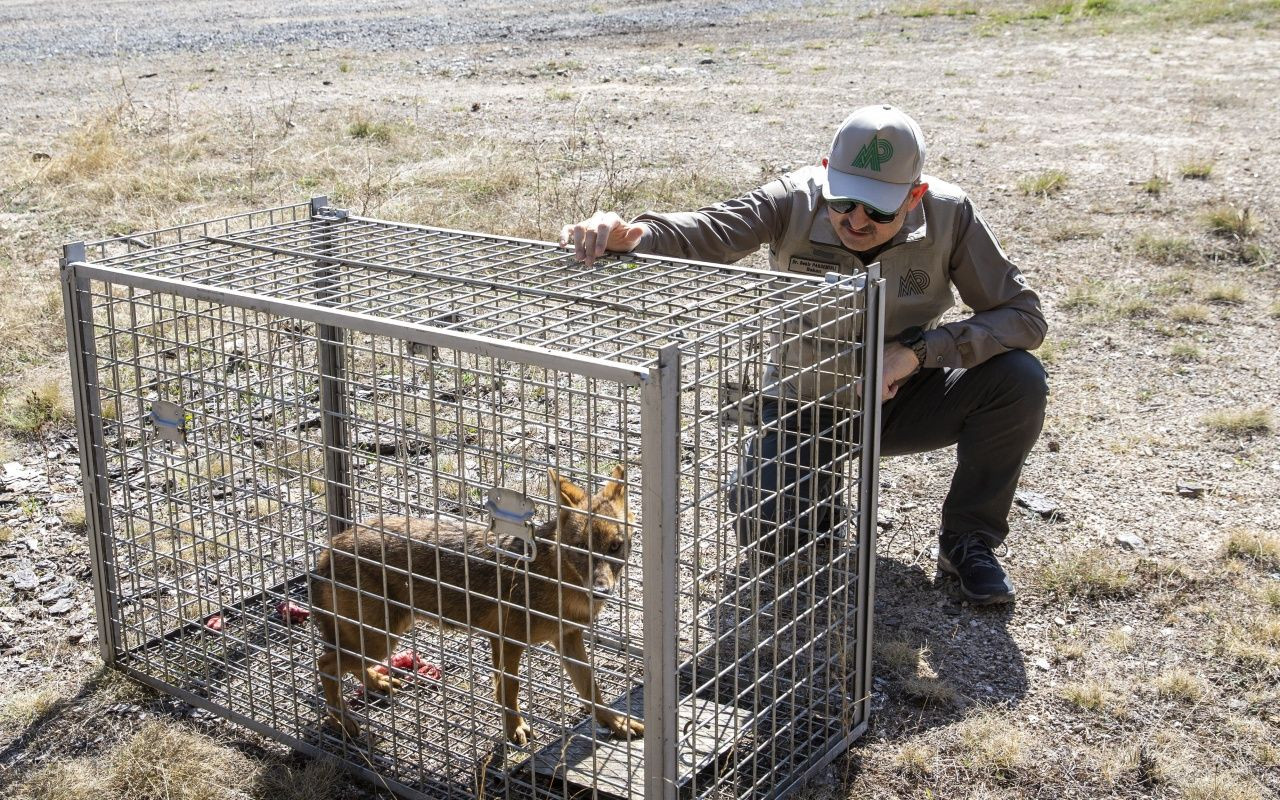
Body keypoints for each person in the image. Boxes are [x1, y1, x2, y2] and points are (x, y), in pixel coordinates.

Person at [559, 105, 1047, 605]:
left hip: (900, 397)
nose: (856, 220)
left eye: (879, 209)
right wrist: (636, 234)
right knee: (771, 533)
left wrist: (919, 351)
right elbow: (709, 230)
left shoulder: (951, 214)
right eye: (844, 201)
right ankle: (807, 491)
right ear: (825, 172)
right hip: (802, 402)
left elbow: (1023, 316)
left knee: (1019, 380)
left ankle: (969, 540)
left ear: (915, 195)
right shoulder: (792, 199)